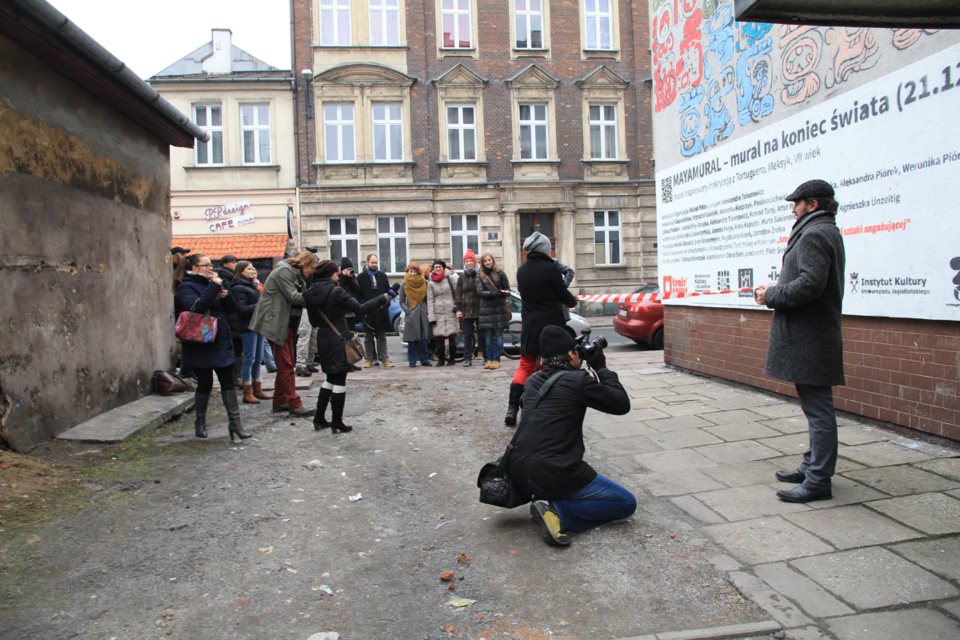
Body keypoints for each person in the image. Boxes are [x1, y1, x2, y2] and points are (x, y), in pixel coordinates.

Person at [754, 179, 846, 504]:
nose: (793, 209)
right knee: (814, 408)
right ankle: (811, 467)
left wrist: (771, 295)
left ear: (813, 204)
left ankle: (818, 480)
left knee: (819, 411)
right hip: (812, 337)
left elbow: (810, 284)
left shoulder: (815, 233)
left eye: (797, 203)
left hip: (811, 338)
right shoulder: (821, 231)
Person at [507, 325, 634, 546]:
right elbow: (621, 404)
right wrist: (601, 368)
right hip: (555, 471)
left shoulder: (532, 381)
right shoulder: (578, 381)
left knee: (559, 474)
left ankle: (549, 498)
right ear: (570, 354)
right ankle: (558, 511)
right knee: (625, 502)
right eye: (577, 351)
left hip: (521, 471)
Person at [304, 260, 399, 433]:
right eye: (336, 272)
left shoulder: (309, 292)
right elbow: (361, 308)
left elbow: (313, 320)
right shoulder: (336, 291)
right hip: (339, 338)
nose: (338, 274)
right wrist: (387, 296)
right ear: (331, 274)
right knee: (339, 379)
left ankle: (319, 418)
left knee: (330, 378)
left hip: (323, 337)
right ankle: (337, 422)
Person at [175, 254, 252, 442]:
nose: (211, 268)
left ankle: (235, 423)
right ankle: (200, 422)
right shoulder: (186, 287)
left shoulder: (215, 284)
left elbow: (232, 310)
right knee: (205, 383)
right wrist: (214, 287)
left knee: (227, 381)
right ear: (194, 267)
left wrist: (225, 297)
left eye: (211, 265)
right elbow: (197, 307)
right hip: (199, 343)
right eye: (206, 265)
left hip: (220, 340)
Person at [506, 231, 578, 426]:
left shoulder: (521, 271)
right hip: (551, 326)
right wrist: (573, 300)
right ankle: (541, 407)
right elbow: (562, 295)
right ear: (545, 249)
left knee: (525, 366)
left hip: (530, 326)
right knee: (550, 366)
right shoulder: (550, 269)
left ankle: (512, 408)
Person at [249, 251, 319, 417]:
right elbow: (294, 297)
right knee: (286, 365)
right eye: (312, 268)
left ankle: (280, 401)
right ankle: (294, 402)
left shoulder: (294, 274)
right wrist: (317, 296)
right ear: (305, 264)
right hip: (275, 323)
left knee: (286, 363)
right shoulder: (284, 272)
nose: (312, 272)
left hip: (284, 322)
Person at [231, 260, 272, 405]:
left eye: (253, 268)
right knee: (249, 358)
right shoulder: (238, 288)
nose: (253, 270)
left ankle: (257, 388)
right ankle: (247, 391)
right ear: (241, 271)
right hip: (247, 326)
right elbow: (242, 309)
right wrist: (260, 305)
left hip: (258, 324)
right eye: (249, 269)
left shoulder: (252, 285)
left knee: (258, 357)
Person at [357, 254, 394, 368]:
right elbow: (359, 294)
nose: (374, 265)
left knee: (381, 335)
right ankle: (369, 359)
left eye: (376, 262)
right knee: (368, 336)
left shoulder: (382, 276)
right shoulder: (361, 277)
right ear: (367, 262)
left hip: (381, 310)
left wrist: (386, 305)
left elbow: (388, 292)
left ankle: (384, 358)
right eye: (372, 262)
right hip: (367, 311)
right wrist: (363, 307)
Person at [475, 252, 511, 370]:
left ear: (493, 261)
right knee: (488, 337)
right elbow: (480, 292)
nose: (487, 262)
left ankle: (497, 359)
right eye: (485, 261)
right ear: (482, 263)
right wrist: (494, 294)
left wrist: (502, 293)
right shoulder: (479, 275)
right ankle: (489, 359)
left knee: (499, 336)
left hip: (499, 308)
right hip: (486, 310)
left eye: (489, 260)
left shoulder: (500, 273)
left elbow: (507, 290)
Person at [427, 259, 460, 366]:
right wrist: (431, 316)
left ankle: (452, 359)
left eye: (440, 266)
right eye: (436, 267)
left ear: (443, 268)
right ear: (433, 268)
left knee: (452, 336)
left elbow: (457, 294)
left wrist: (457, 307)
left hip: (451, 310)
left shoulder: (450, 278)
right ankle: (441, 360)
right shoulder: (430, 282)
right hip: (438, 312)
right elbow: (430, 300)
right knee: (439, 338)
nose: (438, 268)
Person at [399, 262, 432, 367]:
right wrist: (407, 310)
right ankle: (412, 361)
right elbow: (401, 300)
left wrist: (426, 309)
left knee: (423, 338)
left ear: (419, 272)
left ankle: (424, 359)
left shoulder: (425, 282)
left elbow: (429, 298)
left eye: (414, 271)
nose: (412, 273)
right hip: (411, 313)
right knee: (412, 340)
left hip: (423, 313)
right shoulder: (404, 283)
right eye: (410, 271)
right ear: (407, 272)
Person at [216, 255, 243, 384]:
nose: (235, 264)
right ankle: (234, 377)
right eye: (232, 261)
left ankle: (236, 376)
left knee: (237, 347)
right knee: (235, 347)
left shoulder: (233, 277)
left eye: (235, 261)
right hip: (231, 317)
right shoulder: (225, 278)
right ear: (224, 263)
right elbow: (231, 298)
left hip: (234, 318)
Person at [454, 250, 483, 367]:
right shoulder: (461, 277)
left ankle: (484, 355)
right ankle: (467, 358)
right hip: (466, 311)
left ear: (475, 262)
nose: (469, 263)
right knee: (468, 335)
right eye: (467, 261)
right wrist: (458, 309)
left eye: (471, 260)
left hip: (480, 309)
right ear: (464, 263)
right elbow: (458, 294)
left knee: (482, 334)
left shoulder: (480, 274)